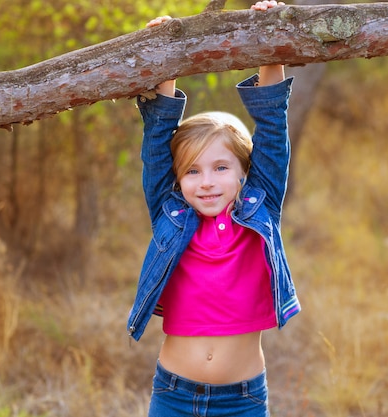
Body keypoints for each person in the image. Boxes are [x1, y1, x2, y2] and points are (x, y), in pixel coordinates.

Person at [126, 1, 300, 415]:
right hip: (173, 395)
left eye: (221, 167)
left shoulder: (260, 211)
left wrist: (268, 41)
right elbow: (156, 144)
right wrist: (165, 57)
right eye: (192, 171)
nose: (206, 182)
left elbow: (273, 128)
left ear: (245, 171)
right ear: (178, 179)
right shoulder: (170, 214)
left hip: (242, 400)